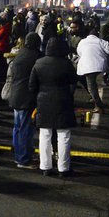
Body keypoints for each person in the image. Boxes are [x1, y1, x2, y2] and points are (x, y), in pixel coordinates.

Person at [30, 36, 77, 177]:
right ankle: (63, 168)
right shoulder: (66, 64)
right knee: (63, 135)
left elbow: (32, 86)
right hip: (63, 100)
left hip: (44, 101)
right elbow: (73, 81)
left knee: (45, 134)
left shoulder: (38, 63)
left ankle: (45, 166)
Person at [6, 33, 41, 168]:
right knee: (25, 129)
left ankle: (18, 153)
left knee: (18, 127)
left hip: (15, 94)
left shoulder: (20, 54)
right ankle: (23, 159)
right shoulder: (35, 56)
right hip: (26, 97)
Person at [76, 28, 109, 114]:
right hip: (98, 65)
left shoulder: (82, 42)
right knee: (92, 86)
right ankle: (97, 103)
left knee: (91, 87)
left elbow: (79, 52)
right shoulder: (100, 41)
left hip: (86, 66)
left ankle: (98, 105)